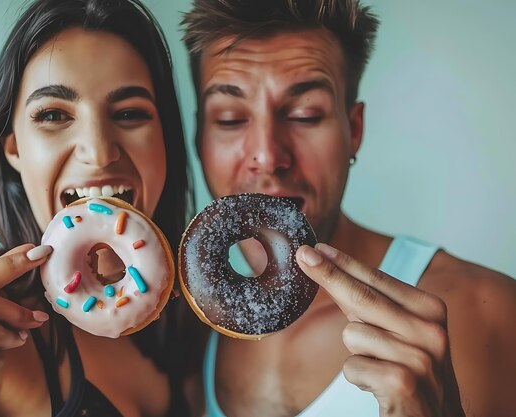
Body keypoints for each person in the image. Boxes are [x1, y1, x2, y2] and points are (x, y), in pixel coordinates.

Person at [180, 1, 516, 416]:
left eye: (305, 115)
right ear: (199, 139)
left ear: (353, 130)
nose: (267, 155)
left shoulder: (490, 311)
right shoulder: (183, 341)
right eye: (230, 119)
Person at [0, 0, 196, 416]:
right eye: (53, 114)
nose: (99, 152)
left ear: (166, 142)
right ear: (12, 147)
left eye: (128, 113)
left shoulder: (191, 322)